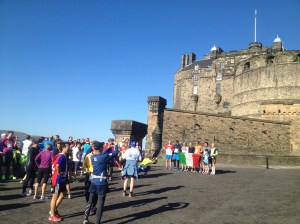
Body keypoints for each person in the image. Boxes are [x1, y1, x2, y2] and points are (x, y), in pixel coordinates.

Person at [83, 140, 119, 224]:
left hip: (94, 181)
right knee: (100, 203)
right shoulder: (103, 156)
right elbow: (115, 153)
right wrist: (116, 146)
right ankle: (97, 222)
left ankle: (85, 219)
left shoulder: (92, 156)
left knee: (90, 201)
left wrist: (108, 147)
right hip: (101, 182)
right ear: (100, 148)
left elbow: (102, 153)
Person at [49, 142, 70, 222]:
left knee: (63, 193)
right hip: (57, 179)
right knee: (55, 197)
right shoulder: (61, 156)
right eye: (68, 147)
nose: (69, 148)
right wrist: (59, 173)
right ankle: (52, 215)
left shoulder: (59, 155)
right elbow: (57, 165)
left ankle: (53, 210)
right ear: (64, 147)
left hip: (60, 179)